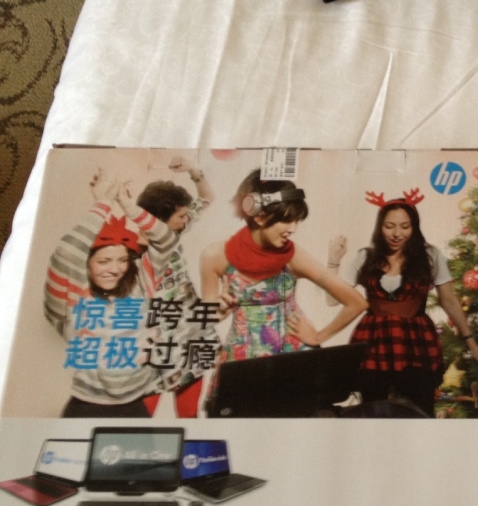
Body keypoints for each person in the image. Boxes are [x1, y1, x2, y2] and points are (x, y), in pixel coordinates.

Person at [326, 189, 478, 417]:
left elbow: (449, 301)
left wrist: (472, 344)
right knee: (373, 412)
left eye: (405, 226)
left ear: (414, 227)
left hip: (416, 344)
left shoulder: (430, 255)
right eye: (389, 226)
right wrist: (333, 261)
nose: (396, 234)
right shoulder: (365, 257)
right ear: (380, 227)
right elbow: (332, 299)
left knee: (420, 412)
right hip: (373, 344)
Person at [200, 170, 367, 377]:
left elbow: (356, 302)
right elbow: (206, 318)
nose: (293, 228)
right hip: (243, 359)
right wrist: (217, 312)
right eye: (287, 220)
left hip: (292, 355)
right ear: (260, 217)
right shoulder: (215, 255)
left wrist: (318, 337)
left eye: (297, 221)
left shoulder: (293, 256)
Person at [44, 174, 175, 417]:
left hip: (137, 403)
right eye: (104, 261)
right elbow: (68, 251)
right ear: (86, 264)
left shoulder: (141, 281)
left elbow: (166, 239)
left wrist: (127, 205)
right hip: (86, 405)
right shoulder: (71, 297)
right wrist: (103, 203)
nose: (115, 269)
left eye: (122, 260)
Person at [135, 155, 217, 417]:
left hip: (190, 328)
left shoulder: (174, 231)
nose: (185, 220)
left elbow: (207, 198)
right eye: (180, 215)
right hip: (156, 335)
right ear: (159, 219)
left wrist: (193, 170)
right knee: (143, 408)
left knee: (190, 409)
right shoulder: (130, 253)